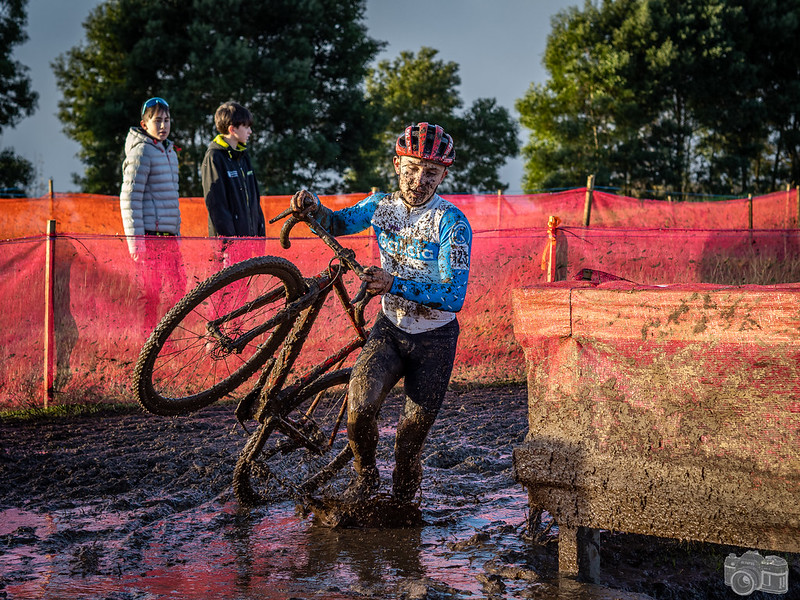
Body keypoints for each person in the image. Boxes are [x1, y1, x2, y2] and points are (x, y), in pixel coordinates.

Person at [290, 122, 472, 506]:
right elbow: (337, 222)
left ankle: (405, 504)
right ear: (396, 164)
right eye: (411, 169)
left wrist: (394, 283)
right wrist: (312, 207)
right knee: (358, 408)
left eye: (431, 172)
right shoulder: (381, 207)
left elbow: (454, 295)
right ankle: (365, 478)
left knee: (408, 442)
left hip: (435, 341)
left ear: (444, 175)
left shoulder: (452, 223)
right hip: (391, 329)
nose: (419, 180)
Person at [119, 96, 184, 332]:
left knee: (180, 288)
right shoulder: (141, 152)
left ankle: (167, 339)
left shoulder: (170, 153)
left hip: (168, 238)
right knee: (150, 294)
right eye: (157, 121)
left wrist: (176, 235)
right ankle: (147, 343)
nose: (164, 125)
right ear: (144, 124)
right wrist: (136, 244)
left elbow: (171, 200)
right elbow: (129, 198)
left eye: (167, 120)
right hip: (149, 236)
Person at [201, 101, 265, 238]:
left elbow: (254, 200)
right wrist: (228, 241)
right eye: (246, 126)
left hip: (250, 241)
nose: (250, 131)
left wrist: (260, 234)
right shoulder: (214, 157)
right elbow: (216, 205)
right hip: (229, 247)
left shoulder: (244, 156)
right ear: (232, 129)